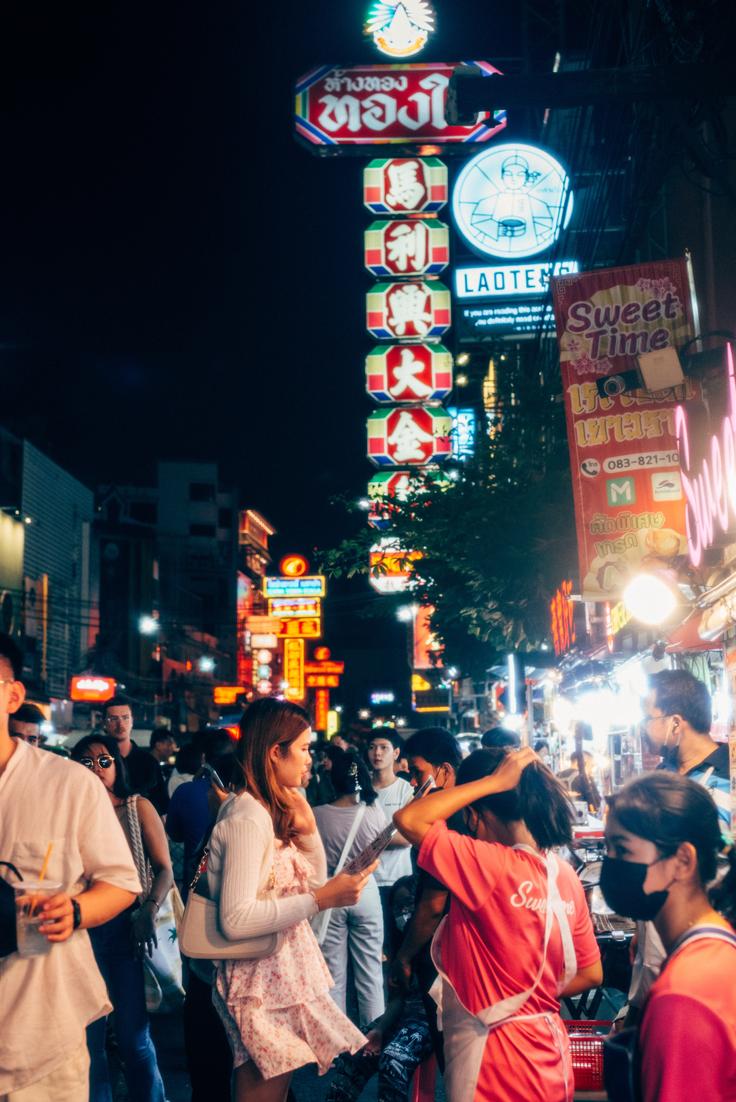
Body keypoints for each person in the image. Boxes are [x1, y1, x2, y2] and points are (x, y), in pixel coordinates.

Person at [395, 746, 603, 1101]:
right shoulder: (563, 873)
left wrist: (491, 782)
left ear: (474, 816)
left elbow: (409, 820)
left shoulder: (487, 864)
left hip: (494, 1063)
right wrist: (527, 995)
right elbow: (590, 973)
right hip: (550, 1056)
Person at [207, 698, 378, 1102]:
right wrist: (321, 899)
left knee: (275, 1088)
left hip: (276, 973)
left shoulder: (267, 811)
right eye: (303, 748)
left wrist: (309, 828)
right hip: (258, 979)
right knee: (261, 1091)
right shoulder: (247, 817)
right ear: (274, 752)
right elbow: (237, 917)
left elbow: (312, 880)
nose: (310, 759)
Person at [0, 633, 140, 1101]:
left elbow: (121, 882)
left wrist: (75, 910)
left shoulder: (67, 783)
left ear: (13, 694)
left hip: (44, 1027)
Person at [601, 772, 736, 1101]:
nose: (610, 863)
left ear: (683, 860)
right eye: (608, 848)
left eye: (622, 850)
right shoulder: (718, 948)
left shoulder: (683, 995)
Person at [71, 733, 171, 1102]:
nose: (96, 769)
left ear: (117, 764)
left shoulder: (135, 806)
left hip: (129, 929)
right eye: (85, 762)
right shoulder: (70, 813)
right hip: (83, 931)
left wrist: (149, 909)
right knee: (89, 1041)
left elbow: (164, 869)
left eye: (103, 761)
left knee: (133, 1037)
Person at [391, 727, 463, 1068]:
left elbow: (434, 903)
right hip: (459, 953)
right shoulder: (471, 814)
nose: (414, 784)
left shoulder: (447, 821)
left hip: (445, 955)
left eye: (419, 773)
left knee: (454, 1055)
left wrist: (404, 956)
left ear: (445, 772)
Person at [326, 876, 434, 1102]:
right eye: (397, 907)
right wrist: (379, 1030)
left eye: (409, 905)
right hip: (404, 1015)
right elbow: (398, 1000)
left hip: (434, 1019)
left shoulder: (440, 944)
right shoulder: (401, 949)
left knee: (393, 1059)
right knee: (355, 1052)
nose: (403, 913)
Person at [314, 749, 387, 1028]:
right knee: (370, 971)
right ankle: (373, 1038)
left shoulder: (317, 815)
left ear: (333, 780)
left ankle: (336, 1047)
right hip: (367, 890)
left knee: (333, 972)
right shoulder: (374, 812)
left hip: (333, 891)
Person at [644, 669, 731, 827]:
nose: (643, 728)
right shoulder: (661, 775)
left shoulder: (730, 774)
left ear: (675, 723)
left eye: (647, 719)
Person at [367, 728, 413, 946]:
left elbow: (407, 837)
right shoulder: (361, 789)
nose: (377, 753)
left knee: (396, 943)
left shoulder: (405, 791)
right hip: (366, 881)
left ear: (396, 753)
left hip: (397, 881)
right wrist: (388, 836)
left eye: (384, 747)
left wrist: (369, 839)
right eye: (372, 747)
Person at [102, 695, 159, 799]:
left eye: (125, 718)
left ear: (132, 721)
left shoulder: (148, 761)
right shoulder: (98, 760)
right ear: (104, 723)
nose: (120, 724)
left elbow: (161, 804)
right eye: (113, 719)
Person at [145, 727, 179, 815]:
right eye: (169, 743)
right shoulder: (150, 765)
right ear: (158, 745)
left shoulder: (152, 763)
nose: (173, 747)